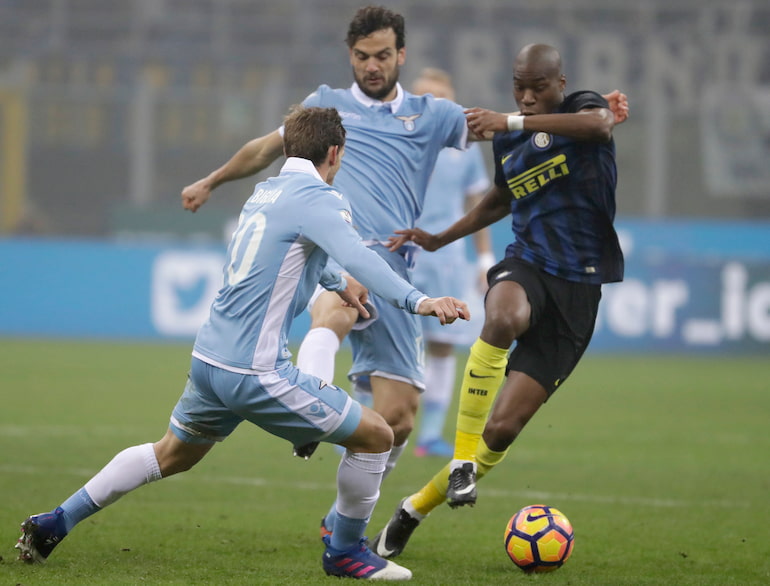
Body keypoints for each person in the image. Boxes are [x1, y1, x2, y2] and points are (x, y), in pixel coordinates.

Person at [180, 5, 628, 540]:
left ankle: (345, 524)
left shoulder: (433, 114)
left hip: (398, 265)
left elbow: (499, 131)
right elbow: (263, 148)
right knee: (339, 305)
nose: (372, 66)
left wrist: (593, 119)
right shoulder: (326, 107)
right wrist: (212, 180)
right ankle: (315, 400)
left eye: (383, 56)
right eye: (363, 56)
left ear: (401, 56)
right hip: (340, 252)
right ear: (351, 56)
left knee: (398, 420)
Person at [14, 106, 470, 581]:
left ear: (290, 147)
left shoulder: (266, 191)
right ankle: (345, 551)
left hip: (210, 358)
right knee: (377, 435)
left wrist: (336, 282)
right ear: (335, 152)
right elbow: (363, 256)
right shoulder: (322, 198)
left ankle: (56, 521)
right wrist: (420, 300)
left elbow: (292, 253)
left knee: (171, 453)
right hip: (255, 370)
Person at [371, 43, 625, 560]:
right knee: (504, 313)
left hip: (579, 289)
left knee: (503, 429)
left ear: (560, 82)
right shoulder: (510, 142)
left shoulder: (581, 109)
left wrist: (510, 120)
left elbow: (600, 126)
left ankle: (413, 509)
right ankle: (461, 463)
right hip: (528, 263)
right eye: (519, 87)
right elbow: (501, 199)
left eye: (538, 87)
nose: (528, 97)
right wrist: (441, 238)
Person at [409, 67, 494, 458]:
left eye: (441, 100)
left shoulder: (465, 147)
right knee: (380, 341)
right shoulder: (395, 137)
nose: (433, 106)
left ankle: (428, 436)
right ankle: (366, 430)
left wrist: (484, 259)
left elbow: (477, 204)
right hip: (396, 253)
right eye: (424, 97)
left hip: (446, 258)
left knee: (442, 345)